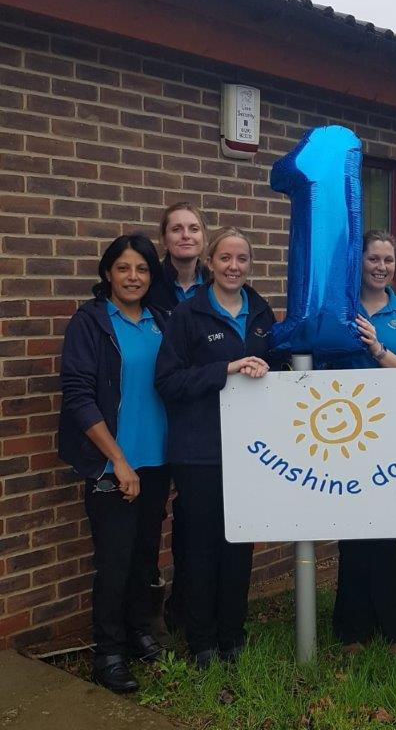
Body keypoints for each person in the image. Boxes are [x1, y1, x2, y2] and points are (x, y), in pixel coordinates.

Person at [155, 227, 275, 669]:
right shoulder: (189, 315)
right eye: (225, 258)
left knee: (239, 545)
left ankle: (232, 634)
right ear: (210, 262)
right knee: (201, 548)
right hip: (200, 451)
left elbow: (278, 371)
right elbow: (167, 381)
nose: (233, 267)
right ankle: (202, 640)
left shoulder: (262, 314)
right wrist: (224, 369)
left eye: (241, 259)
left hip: (250, 452)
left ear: (249, 264)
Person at [58, 234, 169, 693]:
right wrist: (118, 461)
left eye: (141, 269)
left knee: (145, 556)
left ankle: (138, 631)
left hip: (157, 461)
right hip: (113, 466)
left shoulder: (160, 321)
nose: (133, 277)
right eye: (123, 268)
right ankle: (107, 652)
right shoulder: (90, 323)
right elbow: (79, 398)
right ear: (108, 274)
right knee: (115, 561)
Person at [331, 230, 396, 655]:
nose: (381, 266)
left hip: (392, 435)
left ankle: (394, 629)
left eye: (388, 260)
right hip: (343, 434)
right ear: (360, 261)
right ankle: (351, 630)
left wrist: (376, 347)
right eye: (374, 258)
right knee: (350, 531)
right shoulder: (338, 308)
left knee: (386, 535)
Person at [146, 202, 210, 636]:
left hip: (200, 424)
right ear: (164, 239)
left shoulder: (221, 286)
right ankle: (146, 616)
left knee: (192, 524)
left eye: (193, 228)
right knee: (148, 523)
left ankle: (187, 611)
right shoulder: (149, 287)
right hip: (154, 414)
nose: (185, 236)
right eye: (176, 229)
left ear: (203, 238)